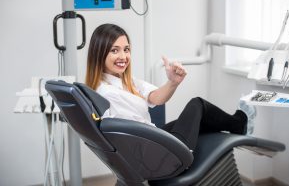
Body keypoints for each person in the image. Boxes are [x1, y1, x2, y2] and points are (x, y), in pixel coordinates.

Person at [85, 23, 256, 151]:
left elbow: (155, 98)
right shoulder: (108, 93)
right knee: (198, 105)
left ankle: (235, 126)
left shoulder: (120, 81)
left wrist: (173, 82)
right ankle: (239, 124)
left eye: (126, 49)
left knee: (198, 121)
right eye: (115, 50)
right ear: (100, 53)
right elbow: (131, 135)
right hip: (156, 151)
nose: (123, 56)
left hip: (150, 143)